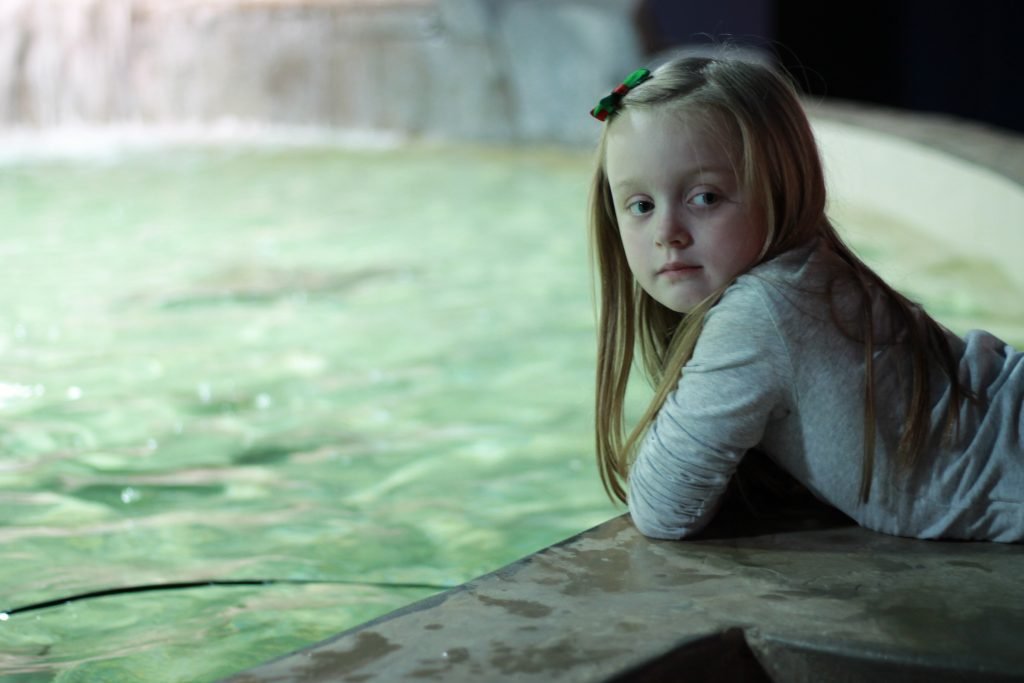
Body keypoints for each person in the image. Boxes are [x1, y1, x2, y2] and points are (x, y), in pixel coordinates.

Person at [587, 52, 1023, 543]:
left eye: (705, 197)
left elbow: (663, 510)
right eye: (640, 205)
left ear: (782, 188)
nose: (668, 233)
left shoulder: (762, 310)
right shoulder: (811, 272)